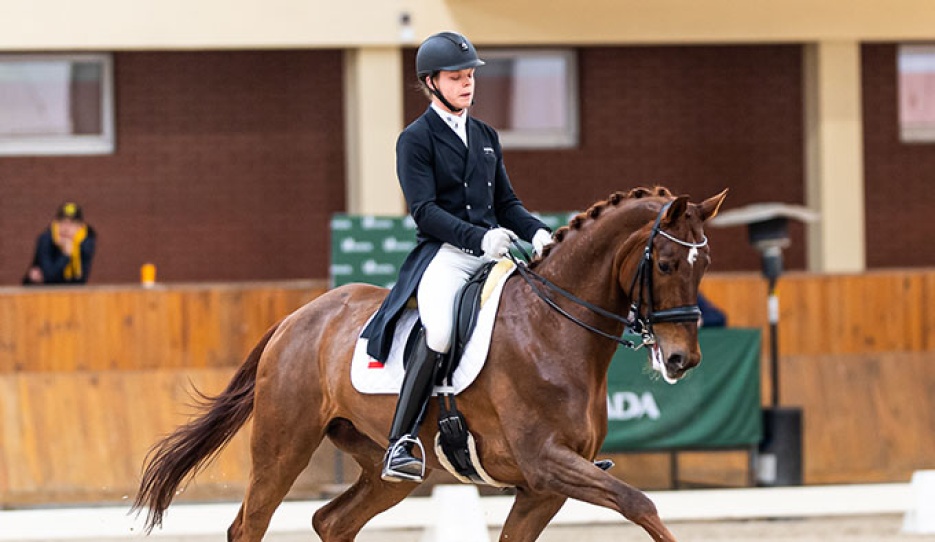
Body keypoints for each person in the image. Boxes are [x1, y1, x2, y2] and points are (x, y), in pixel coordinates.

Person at [361, 31, 554, 483]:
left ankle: (552, 436)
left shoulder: (485, 135)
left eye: (470, 76)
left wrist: (539, 233)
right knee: (442, 330)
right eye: (456, 77)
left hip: (494, 253)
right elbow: (424, 212)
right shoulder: (415, 139)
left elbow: (507, 204)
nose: (467, 84)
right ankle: (401, 441)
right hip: (446, 255)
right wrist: (477, 239)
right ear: (431, 82)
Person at [22, 202, 97, 286]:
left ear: (80, 227)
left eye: (72, 224)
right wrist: (65, 255)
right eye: (62, 222)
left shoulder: (86, 242)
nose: (66, 228)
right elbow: (50, 277)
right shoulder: (46, 240)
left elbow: (80, 280)